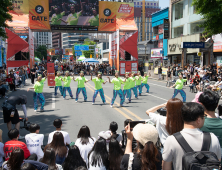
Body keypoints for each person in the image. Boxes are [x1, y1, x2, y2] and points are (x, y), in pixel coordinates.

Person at [162, 102, 221, 170]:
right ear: (198, 120)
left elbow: (166, 166)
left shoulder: (171, 140)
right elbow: (217, 162)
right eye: (204, 117)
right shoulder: (212, 138)